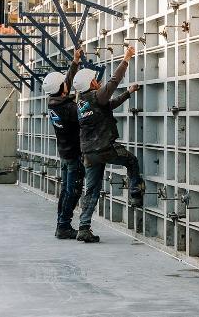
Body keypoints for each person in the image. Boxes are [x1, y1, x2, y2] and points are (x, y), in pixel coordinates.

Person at [73, 44, 143, 243]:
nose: (99, 81)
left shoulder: (82, 102)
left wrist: (128, 93)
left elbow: (109, 105)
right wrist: (127, 58)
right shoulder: (97, 95)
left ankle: (83, 228)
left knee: (92, 189)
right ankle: (136, 193)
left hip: (88, 153)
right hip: (104, 148)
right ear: (91, 83)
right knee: (131, 160)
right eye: (95, 80)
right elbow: (113, 82)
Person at [41, 48, 85, 240]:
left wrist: (75, 62)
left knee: (66, 191)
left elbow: (64, 84)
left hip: (65, 153)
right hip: (74, 154)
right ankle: (64, 226)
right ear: (62, 90)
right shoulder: (67, 107)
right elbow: (84, 116)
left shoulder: (54, 101)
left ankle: (62, 223)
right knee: (72, 191)